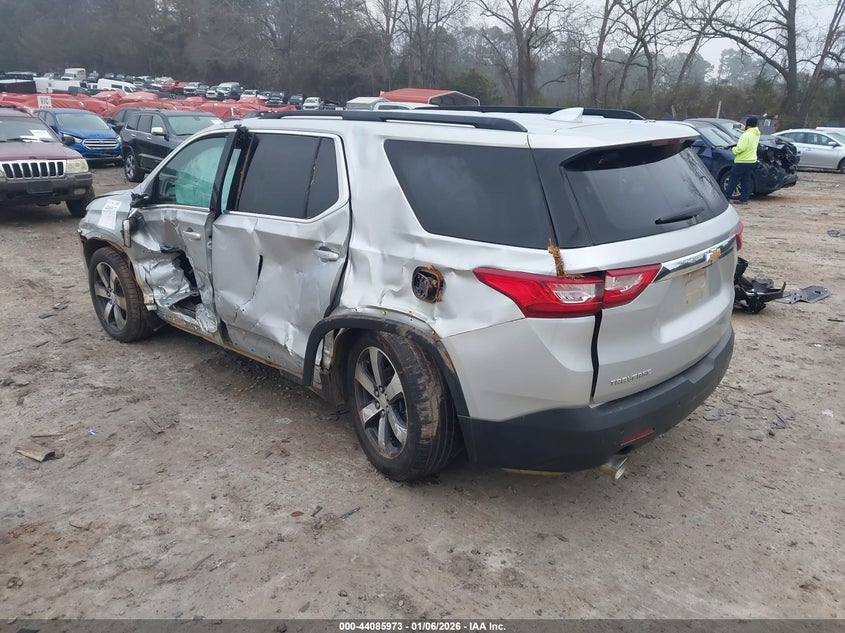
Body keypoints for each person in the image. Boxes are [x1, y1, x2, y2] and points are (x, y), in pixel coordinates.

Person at [724, 116, 760, 205]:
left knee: (733, 180)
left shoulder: (746, 135)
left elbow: (741, 148)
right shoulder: (756, 133)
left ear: (747, 125)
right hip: (752, 161)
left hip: (742, 161)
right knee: (746, 180)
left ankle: (726, 198)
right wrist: (745, 129)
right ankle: (744, 199)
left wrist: (733, 150)